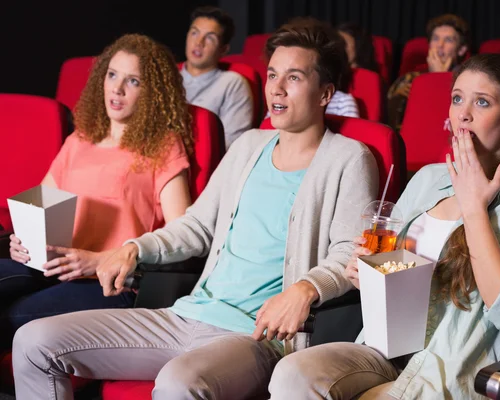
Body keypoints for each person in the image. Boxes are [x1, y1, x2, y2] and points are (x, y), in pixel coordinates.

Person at [12, 17, 379, 400]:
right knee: (33, 342)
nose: (277, 88)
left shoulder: (349, 158)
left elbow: (352, 253)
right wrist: (136, 248)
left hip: (255, 335)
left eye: (294, 78)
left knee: (178, 382)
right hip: (187, 313)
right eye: (272, 75)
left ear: (325, 94)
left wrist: (306, 288)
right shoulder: (249, 146)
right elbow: (197, 225)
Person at [268, 53, 500, 400]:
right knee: (291, 374)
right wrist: (368, 275)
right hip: (386, 347)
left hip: (453, 366)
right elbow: (394, 271)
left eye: (482, 102)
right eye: (457, 99)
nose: (463, 113)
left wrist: (474, 207)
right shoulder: (427, 179)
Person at [0, 34, 193, 349]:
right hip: (51, 266)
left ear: (153, 93)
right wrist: (21, 241)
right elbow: (40, 204)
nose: (117, 88)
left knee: (13, 318)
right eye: (112, 75)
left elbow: (183, 237)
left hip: (111, 282)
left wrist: (99, 260)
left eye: (133, 81)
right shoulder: (81, 138)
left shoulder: (164, 146)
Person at [181, 5, 254, 149]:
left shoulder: (232, 84)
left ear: (223, 49)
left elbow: (233, 145)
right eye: (194, 33)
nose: (198, 43)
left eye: (210, 38)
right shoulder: (167, 78)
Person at [388, 14, 470, 131]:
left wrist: (438, 78)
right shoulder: (409, 79)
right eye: (436, 39)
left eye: (448, 40)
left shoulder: (467, 82)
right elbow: (392, 122)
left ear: (461, 49)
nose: (440, 45)